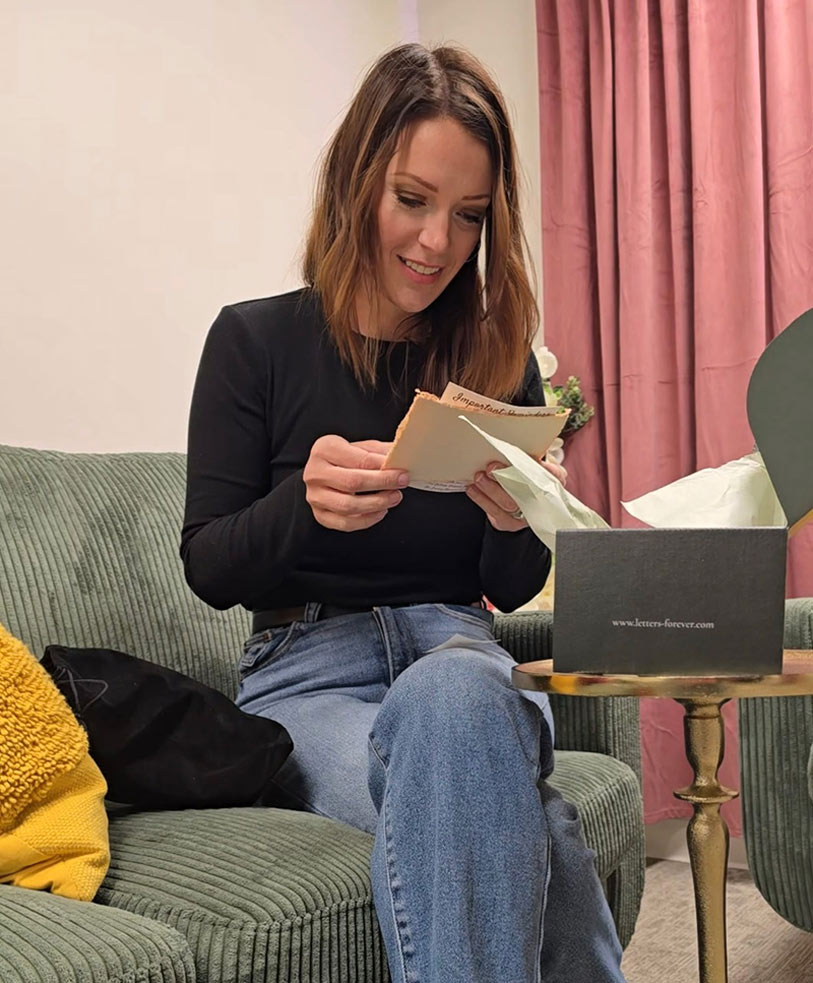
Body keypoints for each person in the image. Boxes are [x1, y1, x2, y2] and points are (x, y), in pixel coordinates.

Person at [181, 42, 625, 983]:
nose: (436, 244)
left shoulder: (494, 363)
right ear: (355, 182)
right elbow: (210, 566)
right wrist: (303, 506)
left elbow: (504, 585)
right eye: (411, 200)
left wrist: (514, 522)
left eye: (467, 217)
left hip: (455, 649)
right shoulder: (253, 341)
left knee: (460, 689)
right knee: (531, 813)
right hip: (306, 680)